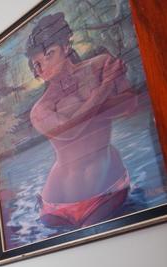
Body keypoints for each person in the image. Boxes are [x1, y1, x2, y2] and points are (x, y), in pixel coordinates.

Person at [27, 12, 137, 227]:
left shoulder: (101, 65)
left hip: (108, 190)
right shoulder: (40, 109)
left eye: (49, 54)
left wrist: (87, 109)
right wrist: (105, 87)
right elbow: (70, 131)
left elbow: (130, 105)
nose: (43, 67)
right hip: (55, 205)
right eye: (36, 64)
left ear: (66, 46)